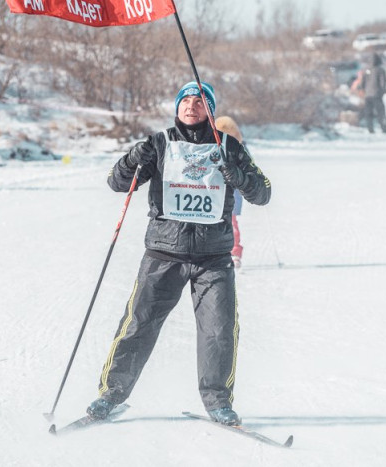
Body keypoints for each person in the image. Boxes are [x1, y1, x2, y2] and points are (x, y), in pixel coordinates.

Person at [86, 81, 272, 427]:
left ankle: (218, 403)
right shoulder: (159, 143)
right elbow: (117, 182)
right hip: (163, 254)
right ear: (176, 107)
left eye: (200, 102)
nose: (191, 106)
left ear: (210, 110)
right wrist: (132, 159)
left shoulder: (228, 146)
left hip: (213, 259)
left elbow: (263, 193)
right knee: (138, 326)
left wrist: (238, 176)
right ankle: (110, 395)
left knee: (218, 331)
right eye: (185, 101)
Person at [214, 116, 246, 269]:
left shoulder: (240, 150)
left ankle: (235, 252)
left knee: (231, 223)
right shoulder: (212, 150)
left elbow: (248, 166)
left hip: (232, 193)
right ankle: (215, 252)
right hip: (214, 193)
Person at [360, 53, 386, 133]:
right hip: (377, 95)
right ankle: (383, 128)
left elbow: (362, 83)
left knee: (369, 113)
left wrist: (364, 90)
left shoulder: (366, 70)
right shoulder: (380, 70)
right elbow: (383, 82)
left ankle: (370, 129)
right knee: (381, 112)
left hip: (368, 95)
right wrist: (383, 91)